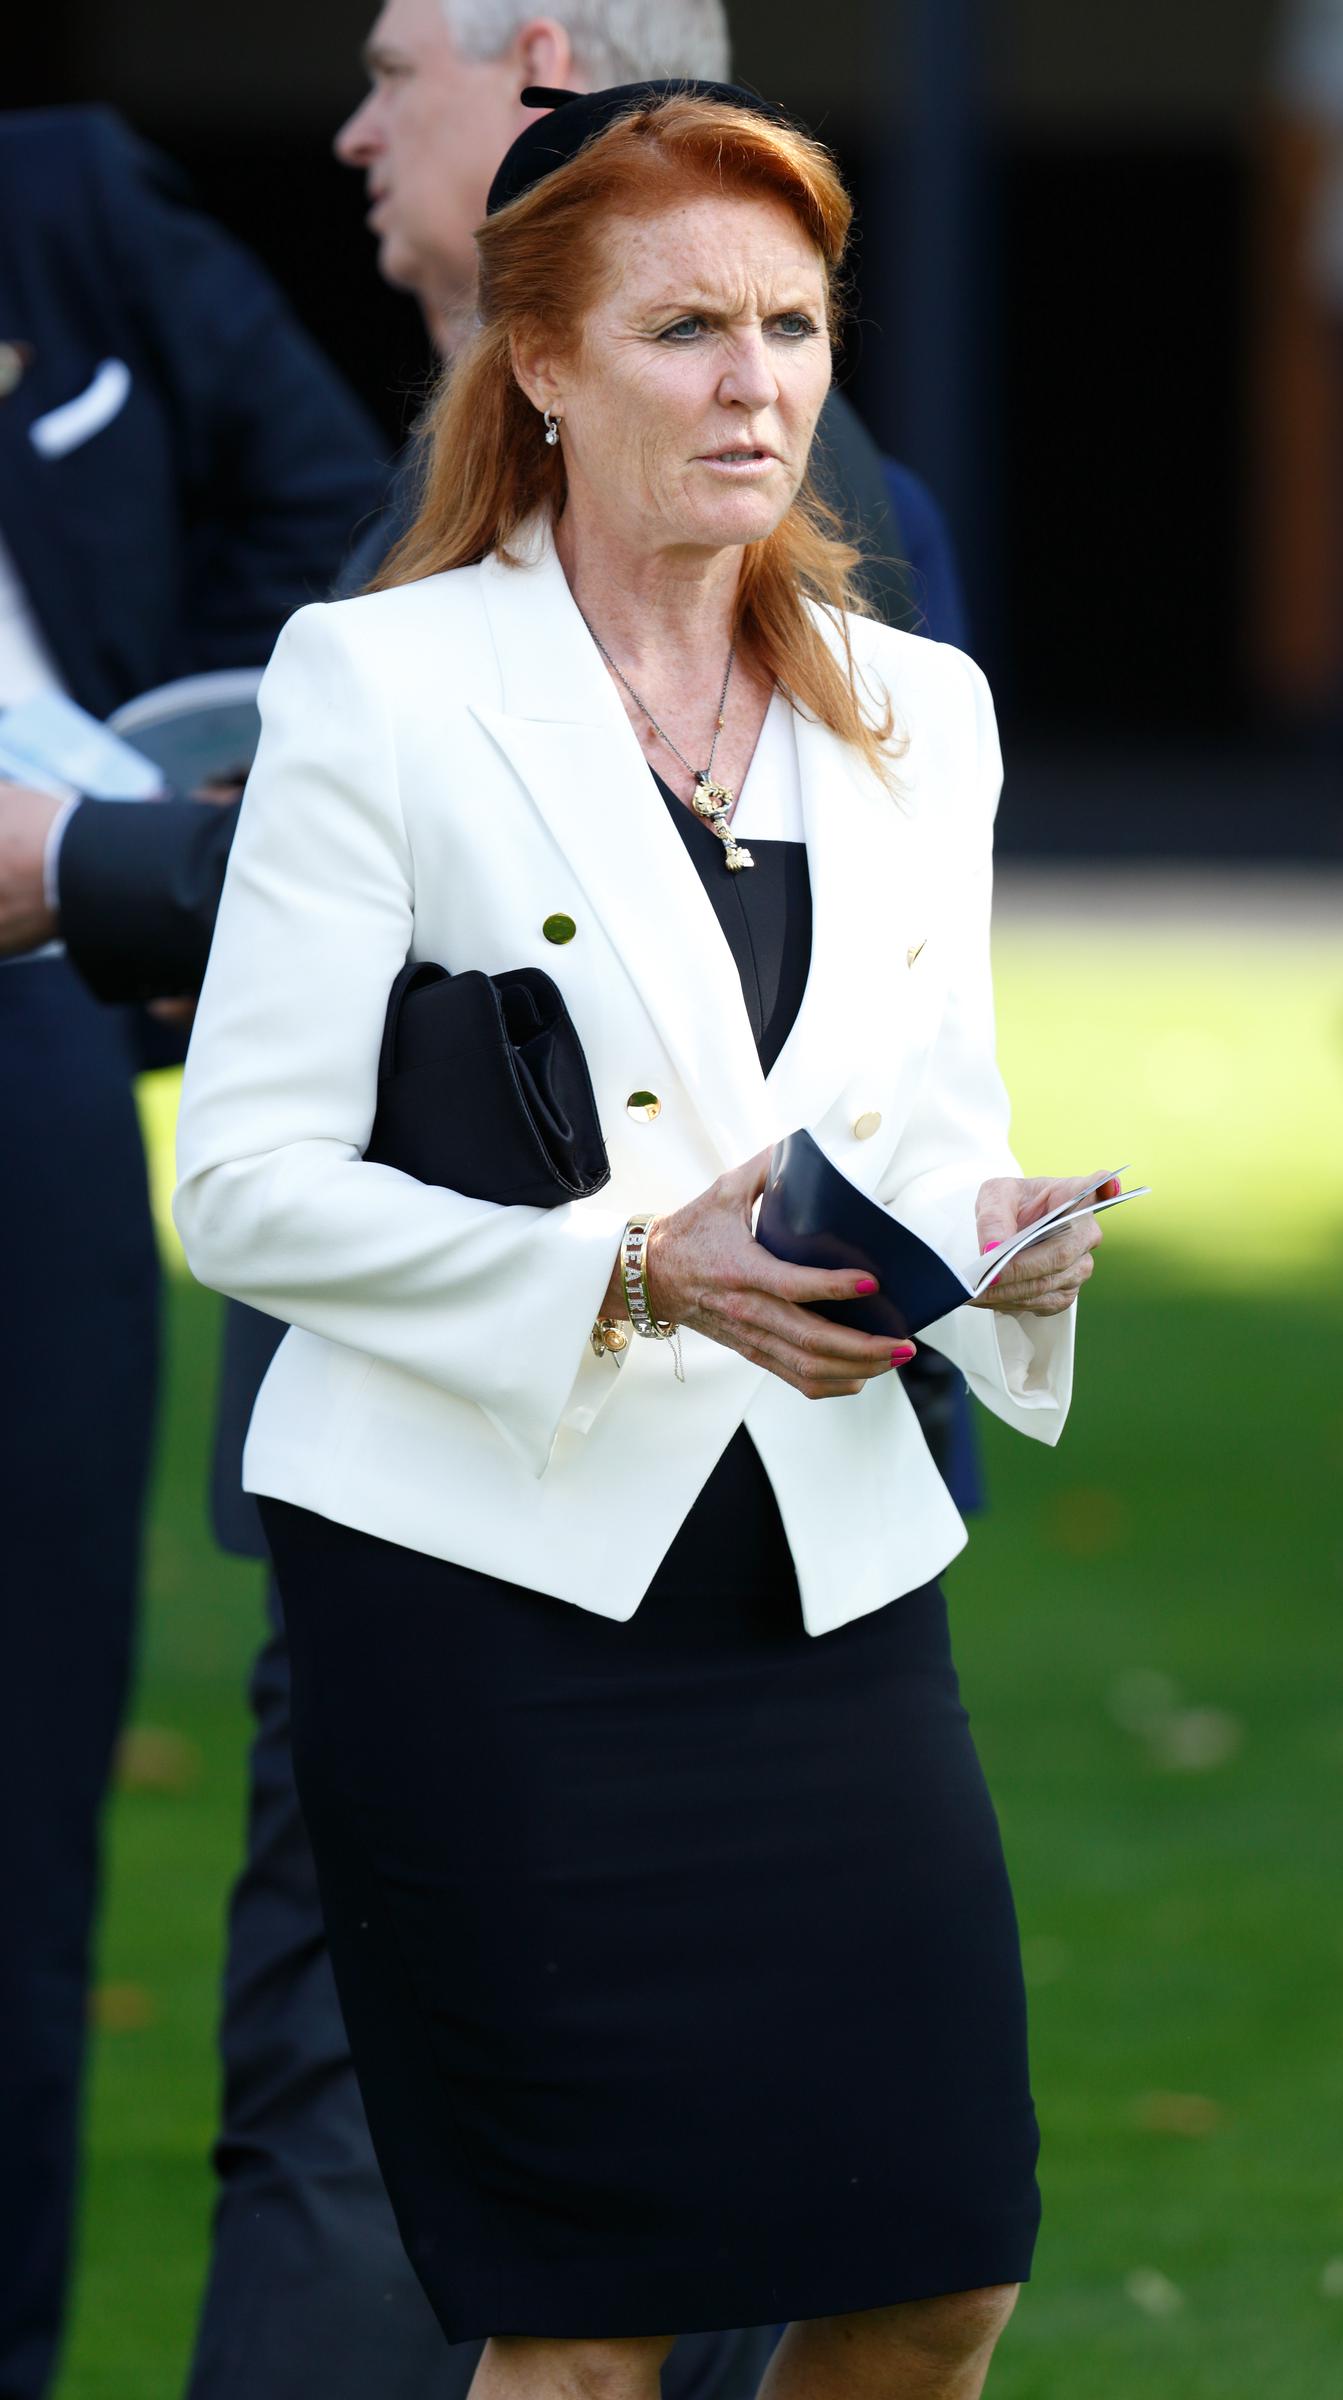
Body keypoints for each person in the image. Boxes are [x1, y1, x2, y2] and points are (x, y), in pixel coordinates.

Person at [0, 13, 974, 2400]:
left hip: (779, 1532)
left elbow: (883, 1084)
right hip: (459, 1523)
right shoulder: (407, 624)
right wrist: (637, 1265)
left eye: (788, 330)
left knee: (888, 2258)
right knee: (539, 2274)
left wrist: (994, 1247)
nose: (752, 386)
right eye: (694, 329)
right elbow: (276, 1132)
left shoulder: (875, 649)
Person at [0, 104, 382, 2400]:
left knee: (19, 1820)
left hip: (23, 1025)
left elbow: (348, 528)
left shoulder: (61, 198)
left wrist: (171, 839)